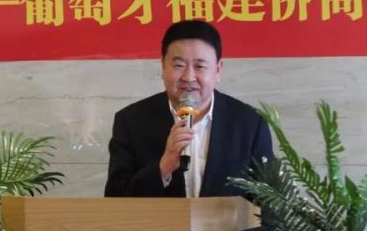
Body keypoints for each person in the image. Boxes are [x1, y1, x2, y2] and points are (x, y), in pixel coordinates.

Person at [104, 20, 274, 198]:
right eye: (179, 65)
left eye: (200, 66)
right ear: (163, 66)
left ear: (217, 70)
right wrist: (163, 168)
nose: (189, 77)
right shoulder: (131, 121)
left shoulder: (250, 124)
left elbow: (269, 201)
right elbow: (115, 197)